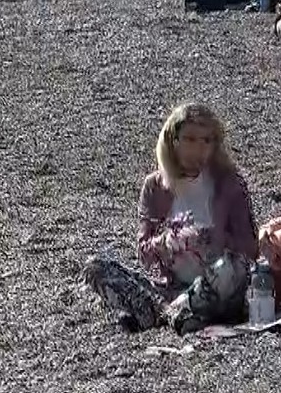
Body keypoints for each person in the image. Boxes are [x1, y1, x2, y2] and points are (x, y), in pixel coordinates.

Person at [83, 104, 258, 334]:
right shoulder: (155, 186)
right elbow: (144, 251)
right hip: (169, 287)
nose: (199, 148)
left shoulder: (230, 184)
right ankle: (174, 312)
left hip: (216, 285)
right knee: (96, 266)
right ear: (173, 140)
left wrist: (215, 239)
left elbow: (251, 250)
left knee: (232, 269)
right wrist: (167, 241)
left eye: (207, 140)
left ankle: (166, 313)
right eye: (190, 139)